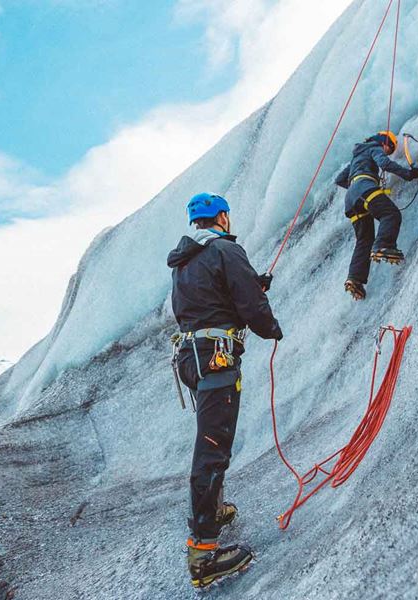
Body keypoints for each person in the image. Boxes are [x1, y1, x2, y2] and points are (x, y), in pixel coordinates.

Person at [167, 192, 283, 588]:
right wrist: (270, 327)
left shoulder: (185, 262)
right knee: (213, 447)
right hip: (215, 358)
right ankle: (204, 553)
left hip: (193, 358)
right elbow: (249, 305)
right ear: (221, 217)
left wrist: (253, 284)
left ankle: (212, 511)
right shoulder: (225, 251)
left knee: (210, 439)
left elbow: (209, 301)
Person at [335, 130, 418, 300]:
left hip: (351, 199)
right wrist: (408, 175)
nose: (387, 151)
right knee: (391, 214)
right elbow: (385, 164)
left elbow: (339, 179)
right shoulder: (374, 147)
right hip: (364, 189)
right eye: (389, 148)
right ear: (384, 141)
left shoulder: (356, 156)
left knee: (364, 240)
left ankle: (355, 279)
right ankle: (383, 245)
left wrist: (359, 183)